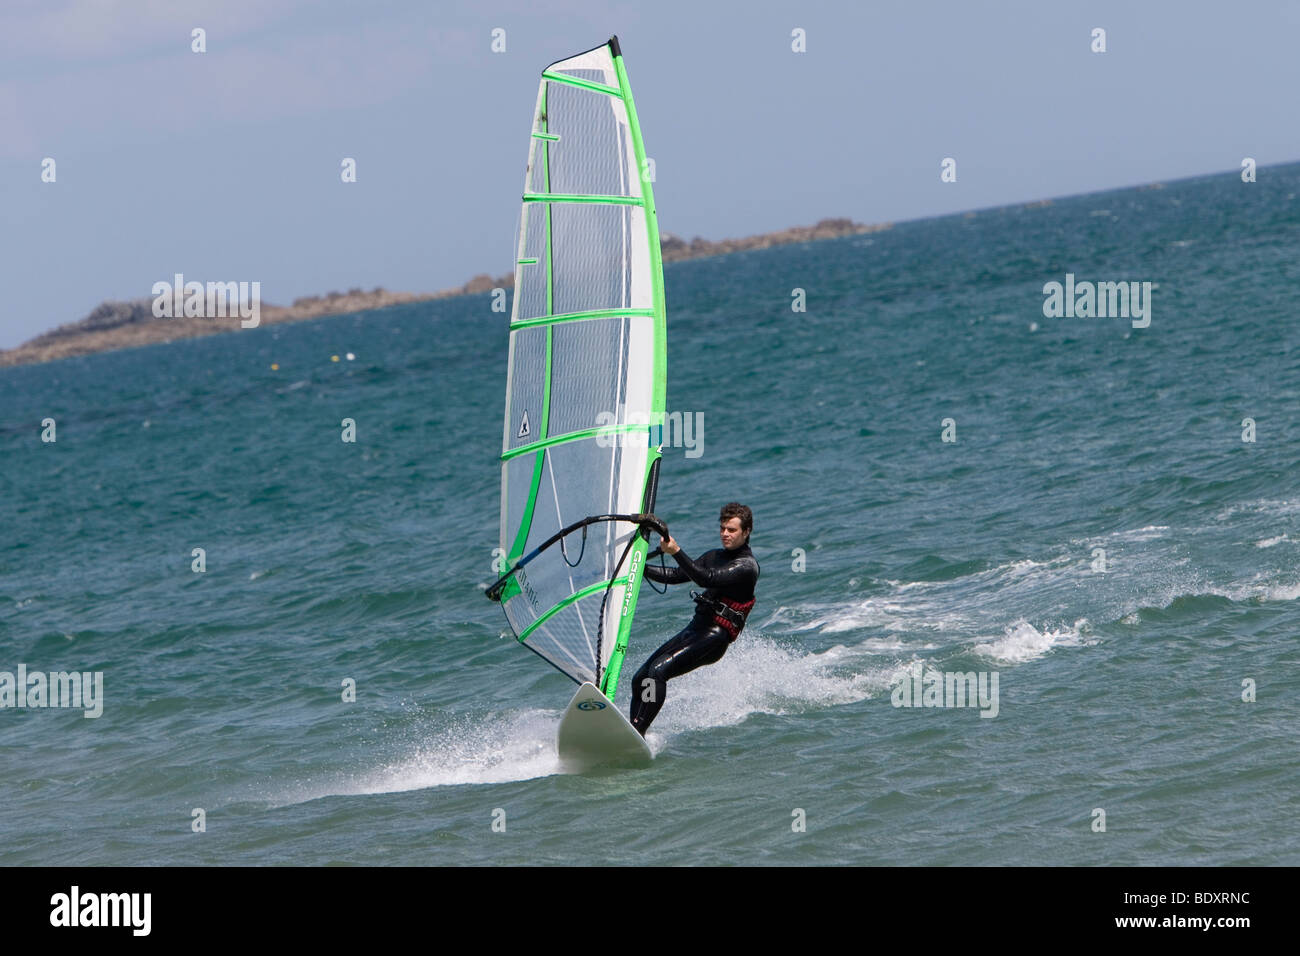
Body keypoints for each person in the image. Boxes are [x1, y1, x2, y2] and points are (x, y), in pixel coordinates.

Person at [628, 502, 760, 735]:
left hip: (714, 637)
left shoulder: (746, 566)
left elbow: (705, 578)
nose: (725, 534)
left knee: (658, 672)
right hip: (695, 628)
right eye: (722, 529)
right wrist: (638, 568)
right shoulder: (714, 555)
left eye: (731, 530)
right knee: (641, 678)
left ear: (746, 532)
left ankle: (638, 731)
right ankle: (632, 729)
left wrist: (676, 551)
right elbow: (676, 575)